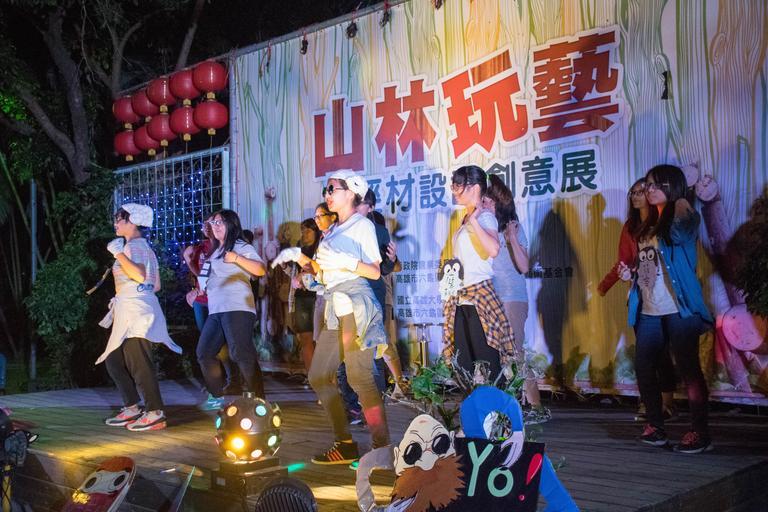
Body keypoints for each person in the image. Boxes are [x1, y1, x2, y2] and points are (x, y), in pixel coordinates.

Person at [272, 170, 389, 465]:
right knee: (318, 376)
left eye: (332, 188)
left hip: (356, 304)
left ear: (351, 192)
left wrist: (345, 261)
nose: (327, 194)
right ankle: (345, 444)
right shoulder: (333, 231)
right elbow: (324, 276)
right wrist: (299, 259)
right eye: (326, 189)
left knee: (360, 377)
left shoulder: (362, 225)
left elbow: (375, 271)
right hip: (335, 306)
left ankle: (382, 448)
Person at [623, 165, 714, 454]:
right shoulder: (647, 225)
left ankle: (700, 432)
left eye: (655, 185)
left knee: (689, 370)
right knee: (644, 365)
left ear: (671, 187)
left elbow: (682, 233)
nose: (649, 190)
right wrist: (633, 275)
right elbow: (649, 268)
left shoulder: (683, 217)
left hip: (679, 309)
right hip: (650, 308)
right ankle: (655, 426)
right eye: (647, 185)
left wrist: (681, 201)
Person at [598, 179, 677, 422]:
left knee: (662, 353)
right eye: (633, 192)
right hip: (640, 297)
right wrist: (608, 283)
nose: (636, 196)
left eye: (641, 191)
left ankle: (667, 404)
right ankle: (649, 406)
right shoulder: (630, 227)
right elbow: (625, 262)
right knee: (645, 355)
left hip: (667, 299)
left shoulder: (663, 223)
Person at [99, 203, 182, 431]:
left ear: (133, 221)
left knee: (138, 362)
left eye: (119, 219)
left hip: (136, 312)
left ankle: (155, 412)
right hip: (133, 308)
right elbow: (156, 285)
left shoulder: (132, 246)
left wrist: (118, 254)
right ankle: (133, 407)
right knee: (114, 359)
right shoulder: (143, 246)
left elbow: (139, 274)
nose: (115, 223)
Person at [482, 175, 549, 424]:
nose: (483, 205)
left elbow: (524, 266)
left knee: (514, 354)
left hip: (512, 297)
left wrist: (511, 238)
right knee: (495, 355)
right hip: (490, 298)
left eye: (487, 201)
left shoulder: (512, 227)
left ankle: (536, 406)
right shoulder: (484, 227)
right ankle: (506, 406)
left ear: (498, 203)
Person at [442, 165, 515, 381]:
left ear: (474, 187)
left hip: (479, 298)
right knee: (464, 365)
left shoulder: (484, 218)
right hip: (461, 298)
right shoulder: (465, 220)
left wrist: (474, 220)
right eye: (453, 185)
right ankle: (474, 402)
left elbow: (493, 249)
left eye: (458, 185)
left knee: (488, 363)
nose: (455, 190)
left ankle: (496, 403)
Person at [196, 209, 267, 409]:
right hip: (216, 309)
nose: (215, 226)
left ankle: (258, 400)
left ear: (231, 224)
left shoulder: (240, 245)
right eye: (213, 223)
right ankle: (216, 397)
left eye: (220, 222)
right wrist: (196, 291)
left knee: (241, 353)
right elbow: (207, 279)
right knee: (204, 352)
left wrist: (237, 258)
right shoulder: (214, 251)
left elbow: (260, 269)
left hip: (237, 307)